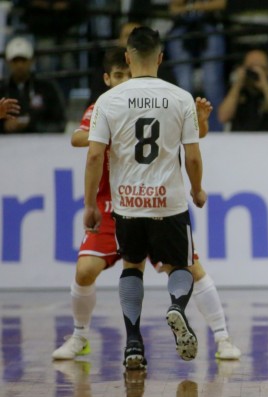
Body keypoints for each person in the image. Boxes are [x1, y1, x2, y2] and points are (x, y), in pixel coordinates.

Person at [52, 47, 240, 363]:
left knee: (178, 268)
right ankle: (81, 337)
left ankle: (222, 338)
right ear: (108, 78)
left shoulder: (145, 103)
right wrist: (106, 133)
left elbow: (191, 139)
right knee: (86, 271)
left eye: (127, 74)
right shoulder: (106, 106)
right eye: (119, 77)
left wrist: (201, 123)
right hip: (121, 204)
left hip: (135, 203)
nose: (126, 80)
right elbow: (77, 138)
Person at [84, 26, 205, 369]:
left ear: (127, 57)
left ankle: (134, 343)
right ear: (161, 58)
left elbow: (94, 157)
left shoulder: (107, 101)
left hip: (127, 205)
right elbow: (193, 157)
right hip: (168, 202)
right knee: (179, 266)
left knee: (132, 266)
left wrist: (90, 204)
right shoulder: (181, 98)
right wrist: (197, 189)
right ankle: (176, 306)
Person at [166, 0, 227, 132]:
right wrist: (198, 6)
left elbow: (221, 3)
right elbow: (174, 8)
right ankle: (185, 131)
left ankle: (217, 131)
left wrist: (191, 6)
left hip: (209, 24)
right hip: (182, 27)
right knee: (184, 83)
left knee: (212, 82)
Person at [0, 36, 66, 134]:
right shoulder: (2, 89)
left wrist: (31, 125)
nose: (19, 65)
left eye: (23, 60)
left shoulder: (47, 88)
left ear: (31, 60)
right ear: (8, 62)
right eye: (15, 60)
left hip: (41, 145)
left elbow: (60, 124)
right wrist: (4, 126)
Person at [217, 49, 268, 132]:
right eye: (250, 68)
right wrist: (237, 84)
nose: (255, 72)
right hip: (240, 141)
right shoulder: (235, 90)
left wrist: (265, 86)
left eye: (261, 68)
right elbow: (222, 117)